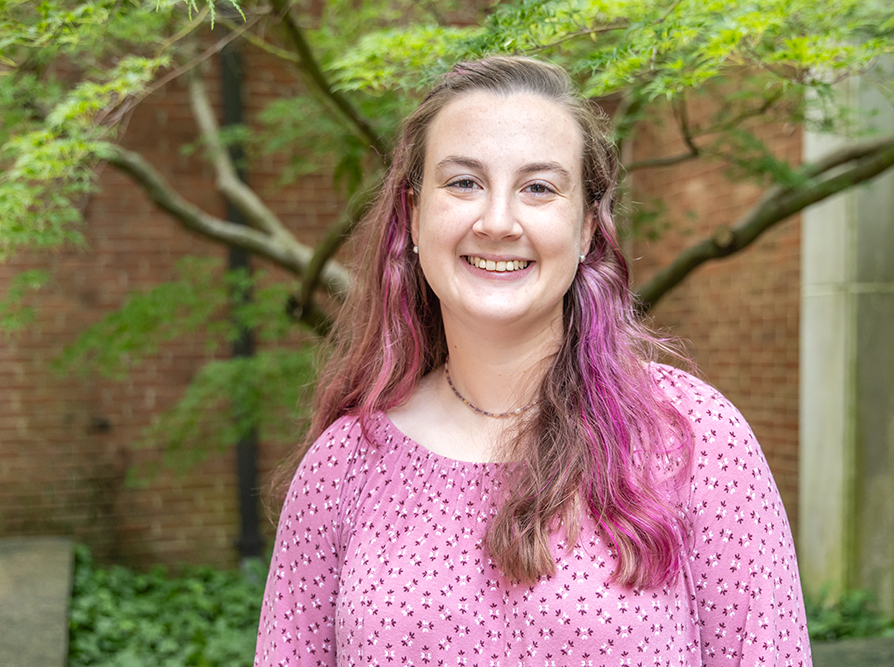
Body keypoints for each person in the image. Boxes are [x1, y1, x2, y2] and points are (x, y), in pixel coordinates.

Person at [254, 56, 812, 667]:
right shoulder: (342, 468)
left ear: (588, 230)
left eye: (539, 187)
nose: (496, 222)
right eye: (463, 182)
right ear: (413, 216)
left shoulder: (692, 438)